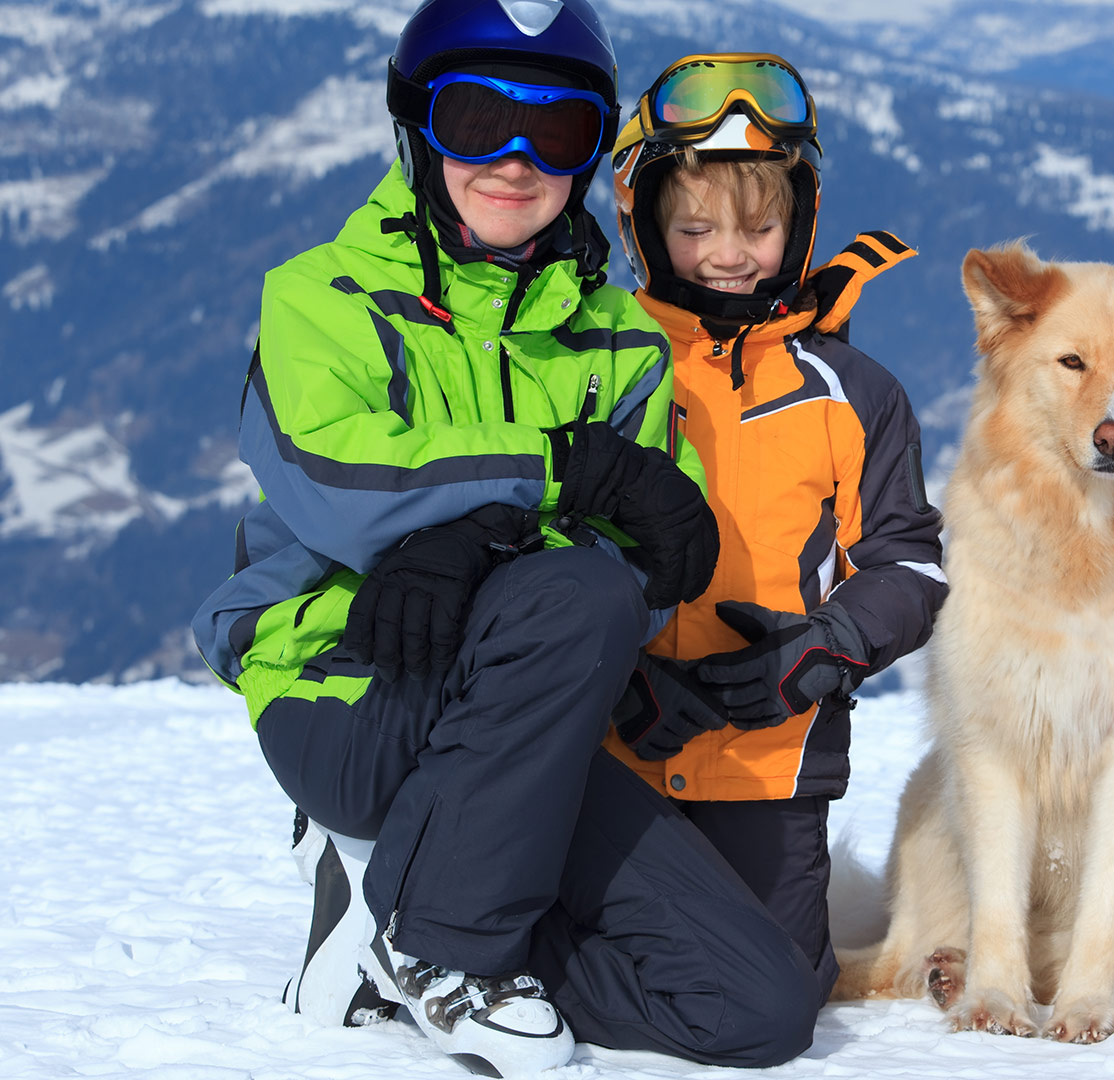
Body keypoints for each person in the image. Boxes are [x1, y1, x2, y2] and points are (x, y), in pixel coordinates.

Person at [191, 2, 819, 1073]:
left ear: (592, 156)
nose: (517, 162)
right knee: (569, 590)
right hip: (350, 694)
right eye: (477, 119)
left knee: (757, 1006)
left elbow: (661, 561)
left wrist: (486, 538)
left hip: (523, 726)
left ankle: (388, 918)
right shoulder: (324, 302)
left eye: (560, 131)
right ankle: (445, 949)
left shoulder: (618, 341)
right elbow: (340, 480)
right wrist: (557, 477)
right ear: (418, 129)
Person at [600, 52, 948, 1003]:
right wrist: (609, 678)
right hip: (610, 753)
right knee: (577, 971)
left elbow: (910, 566)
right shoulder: (603, 361)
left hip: (772, 754)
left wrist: (818, 652)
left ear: (799, 226)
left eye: (760, 226)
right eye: (695, 226)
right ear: (641, 225)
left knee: (777, 999)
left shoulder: (852, 392)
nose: (729, 252)